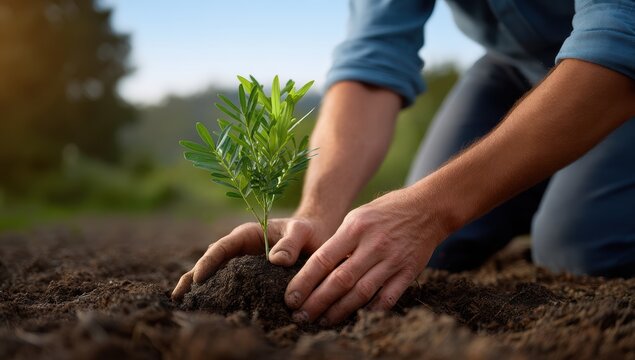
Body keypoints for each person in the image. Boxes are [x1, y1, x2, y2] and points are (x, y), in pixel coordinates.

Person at [172, 0, 635, 326]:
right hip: (517, 66)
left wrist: (430, 209)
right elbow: (372, 59)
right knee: (417, 251)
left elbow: (620, 35)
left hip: (616, 64)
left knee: (577, 246)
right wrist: (318, 213)